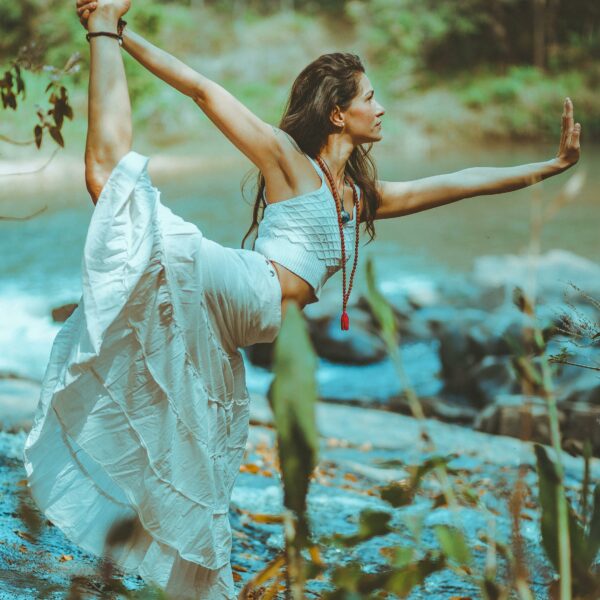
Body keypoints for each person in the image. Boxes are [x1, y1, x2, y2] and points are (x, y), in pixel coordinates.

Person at [23, 1, 581, 598]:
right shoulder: (289, 162)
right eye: (370, 97)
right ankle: (102, 27)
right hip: (242, 284)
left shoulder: (360, 198)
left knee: (200, 462)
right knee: (111, 184)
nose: (381, 106)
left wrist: (548, 167)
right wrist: (124, 38)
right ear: (338, 114)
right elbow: (205, 91)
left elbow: (457, 182)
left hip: (231, 326)